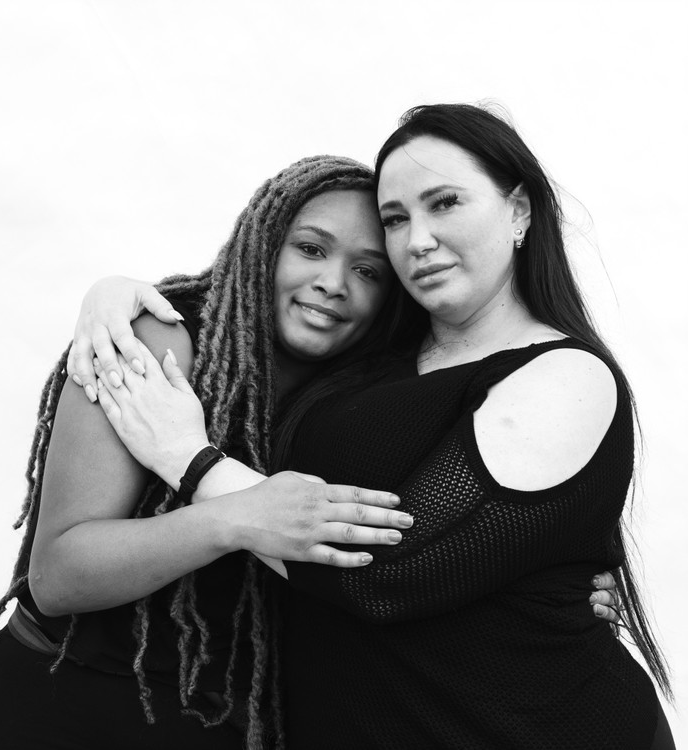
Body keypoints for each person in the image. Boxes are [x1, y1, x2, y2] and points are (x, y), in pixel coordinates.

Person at [67, 104, 673, 749]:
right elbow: (251, 313)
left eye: (445, 204)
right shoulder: (374, 357)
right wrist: (115, 294)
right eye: (395, 219)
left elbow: (383, 578)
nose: (416, 240)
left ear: (519, 211)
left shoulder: (566, 376)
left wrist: (191, 461)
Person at [0, 156, 422, 750]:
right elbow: (59, 575)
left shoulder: (377, 394)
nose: (334, 282)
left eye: (368, 271)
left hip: (214, 722)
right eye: (310, 249)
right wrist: (237, 516)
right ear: (263, 244)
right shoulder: (160, 340)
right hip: (56, 705)